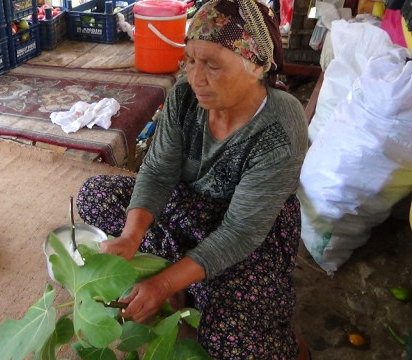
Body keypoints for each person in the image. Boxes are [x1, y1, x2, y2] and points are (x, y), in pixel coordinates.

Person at [76, 0, 310, 358]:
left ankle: (185, 280)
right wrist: (130, 236)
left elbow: (240, 232)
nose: (196, 78)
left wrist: (163, 282)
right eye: (190, 60)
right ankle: (185, 280)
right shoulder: (184, 96)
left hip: (245, 235)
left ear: (257, 67)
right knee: (95, 195)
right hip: (185, 208)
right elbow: (157, 171)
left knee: (232, 341)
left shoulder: (280, 124)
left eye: (213, 65)